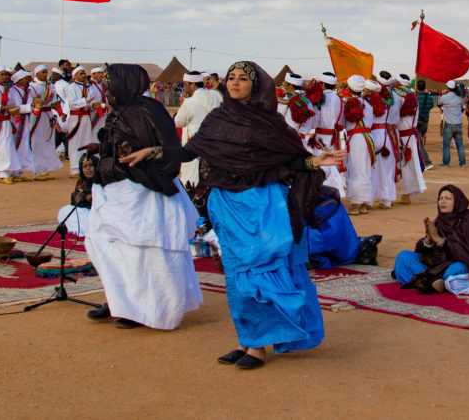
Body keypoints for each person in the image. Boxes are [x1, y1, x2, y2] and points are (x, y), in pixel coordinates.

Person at [120, 61, 345, 369]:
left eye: (243, 78)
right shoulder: (217, 119)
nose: (235, 83)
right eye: (231, 78)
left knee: (263, 271)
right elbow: (189, 152)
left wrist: (315, 162)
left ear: (257, 85)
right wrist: (153, 151)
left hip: (263, 204)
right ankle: (249, 341)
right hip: (227, 204)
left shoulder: (270, 122)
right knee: (238, 276)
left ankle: (260, 343)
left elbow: (290, 161)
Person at [85, 63, 204, 331]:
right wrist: (101, 148)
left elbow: (168, 150)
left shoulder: (146, 110)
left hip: (142, 193)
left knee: (139, 253)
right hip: (116, 191)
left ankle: (142, 309)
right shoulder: (122, 109)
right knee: (105, 245)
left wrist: (138, 159)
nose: (106, 90)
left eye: (110, 84)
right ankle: (118, 300)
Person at [392, 185, 469, 294]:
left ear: (457, 201)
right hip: (439, 267)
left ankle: (426, 281)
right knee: (403, 257)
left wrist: (439, 241)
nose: (443, 201)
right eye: (440, 199)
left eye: (448, 198)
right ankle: (432, 283)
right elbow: (423, 254)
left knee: (455, 269)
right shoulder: (439, 221)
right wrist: (428, 240)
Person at [174, 70, 222, 188]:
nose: (184, 87)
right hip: (216, 147)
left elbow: (178, 122)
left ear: (192, 85)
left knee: (192, 182)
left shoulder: (189, 102)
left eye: (185, 84)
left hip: (195, 148)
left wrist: (182, 104)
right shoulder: (216, 96)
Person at [342, 74, 376, 215]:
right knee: (365, 170)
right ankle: (363, 203)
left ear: (349, 88)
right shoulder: (368, 105)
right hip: (368, 138)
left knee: (356, 170)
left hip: (356, 139)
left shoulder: (349, 103)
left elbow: (342, 123)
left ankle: (356, 204)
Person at [309, 72, 346, 196]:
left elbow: (315, 120)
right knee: (331, 162)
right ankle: (334, 190)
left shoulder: (319, 98)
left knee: (322, 163)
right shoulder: (339, 99)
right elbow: (341, 120)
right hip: (334, 135)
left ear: (323, 84)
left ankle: (328, 190)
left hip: (321, 135)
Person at [394, 73, 426, 203]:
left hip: (403, 135)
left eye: (396, 81)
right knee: (410, 164)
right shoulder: (412, 97)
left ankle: (406, 194)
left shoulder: (398, 98)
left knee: (407, 164)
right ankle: (406, 193)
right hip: (410, 134)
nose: (394, 82)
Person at [27, 65, 63, 180]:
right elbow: (31, 102)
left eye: (46, 72)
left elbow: (53, 101)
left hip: (48, 116)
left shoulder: (50, 86)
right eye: (43, 72)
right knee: (37, 143)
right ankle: (37, 171)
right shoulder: (32, 87)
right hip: (37, 116)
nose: (45, 74)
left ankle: (44, 169)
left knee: (47, 142)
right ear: (36, 74)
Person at [368, 76, 397, 209]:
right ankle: (387, 199)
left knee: (373, 169)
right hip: (387, 135)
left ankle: (371, 199)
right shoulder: (390, 100)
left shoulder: (368, 103)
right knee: (387, 169)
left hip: (374, 135)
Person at [63, 66, 94, 176]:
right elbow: (72, 103)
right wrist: (86, 101)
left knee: (86, 141)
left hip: (86, 118)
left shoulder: (88, 87)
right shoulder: (71, 87)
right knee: (75, 142)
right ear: (75, 76)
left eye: (84, 73)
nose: (83, 75)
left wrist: (93, 105)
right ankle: (75, 168)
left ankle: (85, 167)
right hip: (76, 118)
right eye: (81, 73)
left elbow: (90, 103)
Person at [8, 70, 35, 181]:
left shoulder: (27, 92)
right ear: (19, 80)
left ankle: (20, 172)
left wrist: (32, 105)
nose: (27, 80)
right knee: (14, 145)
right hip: (16, 121)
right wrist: (28, 107)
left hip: (25, 121)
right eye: (24, 79)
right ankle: (11, 173)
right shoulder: (12, 91)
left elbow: (30, 104)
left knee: (23, 146)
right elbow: (13, 107)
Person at [436, 80, 466, 168]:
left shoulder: (445, 97)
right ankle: (463, 163)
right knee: (460, 144)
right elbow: (463, 107)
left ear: (448, 88)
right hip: (458, 123)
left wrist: (443, 108)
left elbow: (439, 104)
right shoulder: (460, 98)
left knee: (446, 144)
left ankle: (446, 163)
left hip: (449, 123)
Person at [415, 80, 435, 169]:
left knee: (418, 143)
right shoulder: (429, 98)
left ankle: (427, 161)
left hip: (416, 122)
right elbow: (431, 106)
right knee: (417, 142)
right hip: (425, 122)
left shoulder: (415, 97)